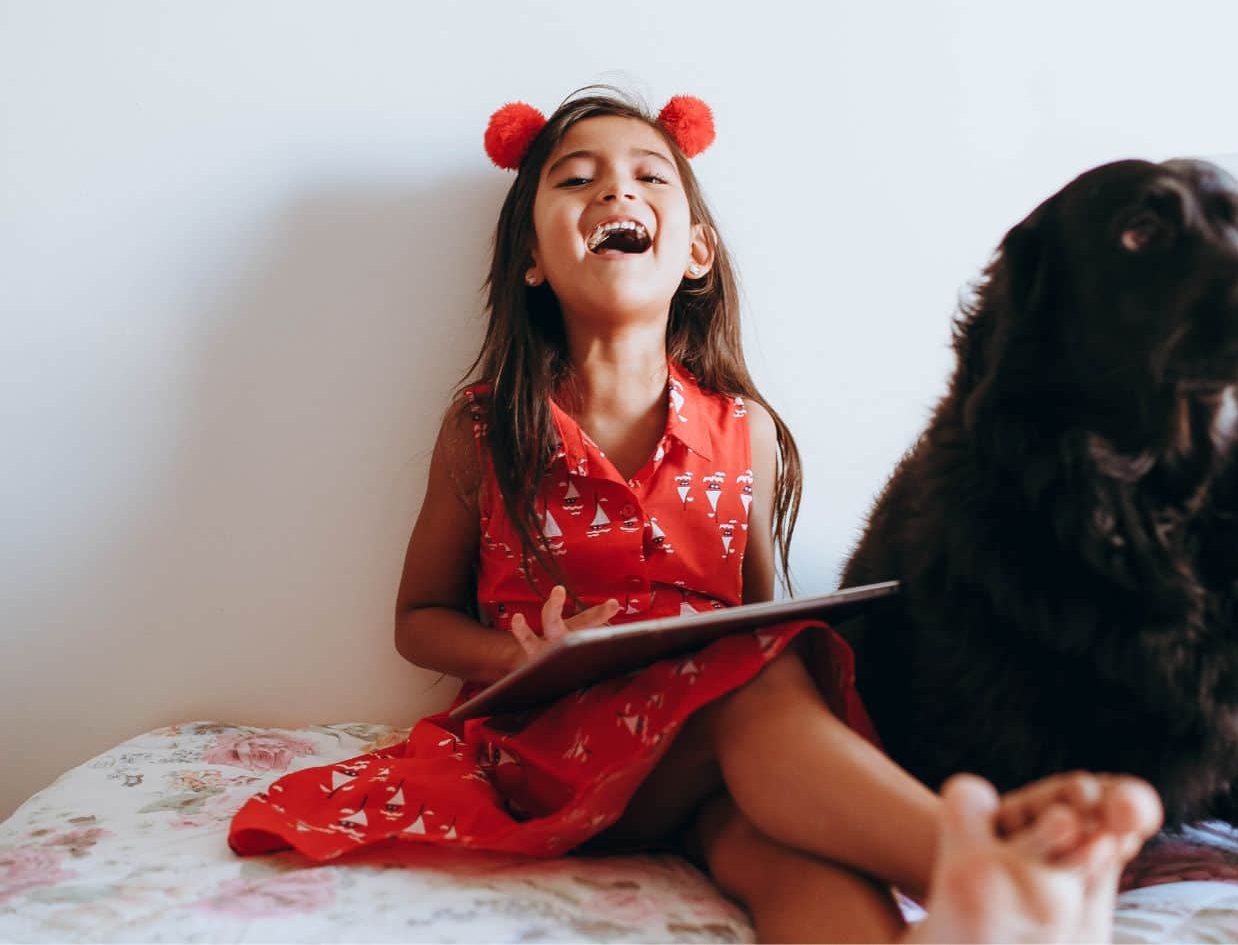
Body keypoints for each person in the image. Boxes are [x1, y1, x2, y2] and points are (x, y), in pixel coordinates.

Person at [227, 86, 1162, 942]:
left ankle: (955, 925)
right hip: (557, 752)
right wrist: (516, 655)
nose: (613, 194)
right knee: (749, 690)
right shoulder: (485, 430)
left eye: (646, 177)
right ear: (531, 264)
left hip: (704, 758)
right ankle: (990, 860)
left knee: (779, 839)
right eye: (576, 179)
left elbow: (758, 617)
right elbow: (416, 621)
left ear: (697, 251)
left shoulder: (740, 430)